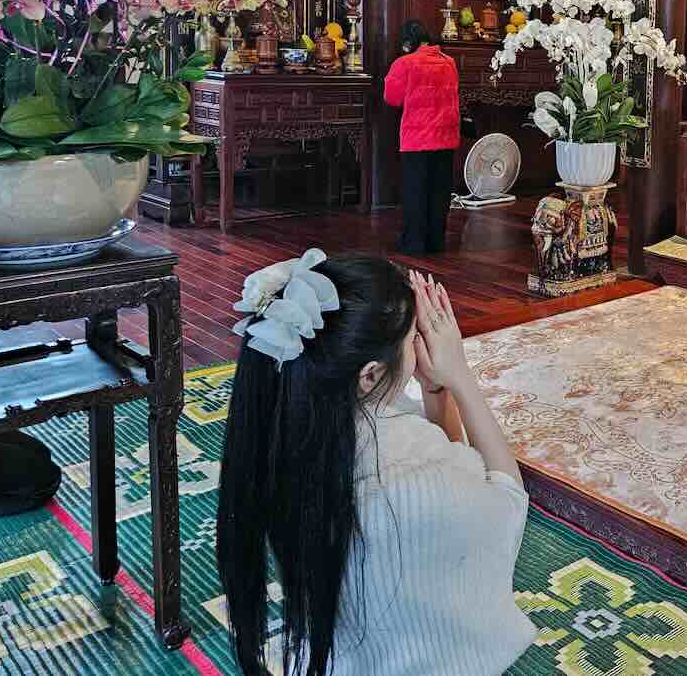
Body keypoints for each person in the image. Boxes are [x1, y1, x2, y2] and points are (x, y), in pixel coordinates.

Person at [216, 252, 536, 676]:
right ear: (368, 375)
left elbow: (452, 461)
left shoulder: (286, 431)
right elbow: (508, 501)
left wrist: (434, 392)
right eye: (412, 340)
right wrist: (458, 375)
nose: (419, 346)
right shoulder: (420, 478)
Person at [383, 20, 459, 254]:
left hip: (417, 139)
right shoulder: (449, 62)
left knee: (415, 191)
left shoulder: (404, 63)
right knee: (439, 192)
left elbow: (392, 98)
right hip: (446, 136)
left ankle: (414, 244)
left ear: (408, 42)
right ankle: (436, 242)